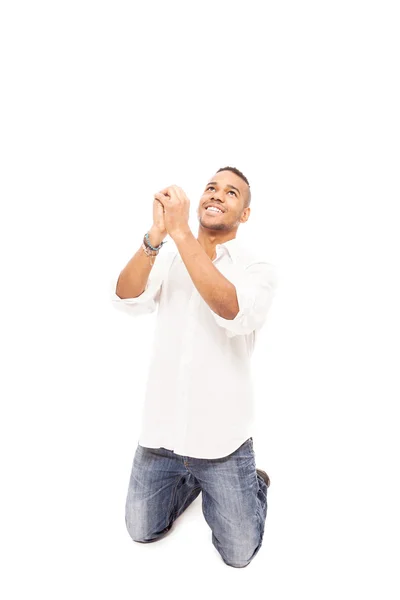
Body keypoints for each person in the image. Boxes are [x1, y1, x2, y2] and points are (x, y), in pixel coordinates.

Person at [111, 166, 278, 568]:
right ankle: (192, 481)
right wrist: (156, 236)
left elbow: (230, 308)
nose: (217, 195)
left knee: (239, 555)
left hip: (223, 440)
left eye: (231, 193)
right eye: (211, 187)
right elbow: (125, 295)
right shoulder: (169, 257)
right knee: (141, 529)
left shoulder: (257, 270)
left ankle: (254, 481)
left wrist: (181, 231)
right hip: (162, 434)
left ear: (245, 214)